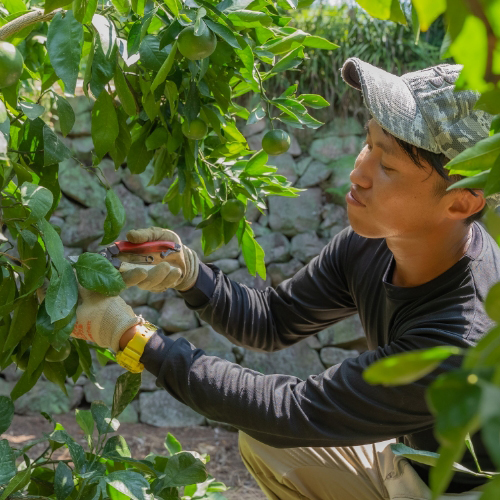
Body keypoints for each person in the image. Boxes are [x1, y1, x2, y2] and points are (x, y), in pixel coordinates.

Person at [71, 58, 500, 500]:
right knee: (266, 440)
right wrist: (189, 275)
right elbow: (274, 319)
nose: (358, 172)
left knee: (275, 427)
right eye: (369, 143)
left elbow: (290, 411)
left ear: (462, 202)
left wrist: (132, 337)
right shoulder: (374, 243)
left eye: (386, 166)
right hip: (407, 462)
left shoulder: (459, 338)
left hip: (462, 492)